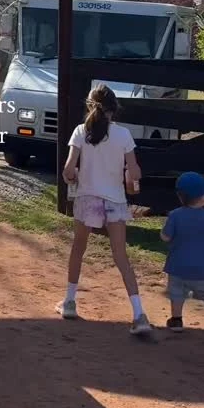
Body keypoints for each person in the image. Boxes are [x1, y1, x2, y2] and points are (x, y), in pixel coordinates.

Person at [58, 84, 151, 335]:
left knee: (78, 249)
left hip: (87, 197)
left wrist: (72, 177)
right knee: (121, 257)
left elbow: (68, 169)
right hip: (114, 201)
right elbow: (134, 172)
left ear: (90, 105)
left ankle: (69, 301)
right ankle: (139, 313)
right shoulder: (124, 135)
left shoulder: (81, 131)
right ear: (114, 108)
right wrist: (130, 178)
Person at [161, 171, 204, 331]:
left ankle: (176, 320)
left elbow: (166, 237)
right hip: (203, 269)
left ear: (180, 196)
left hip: (177, 267)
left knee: (177, 294)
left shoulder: (175, 215)